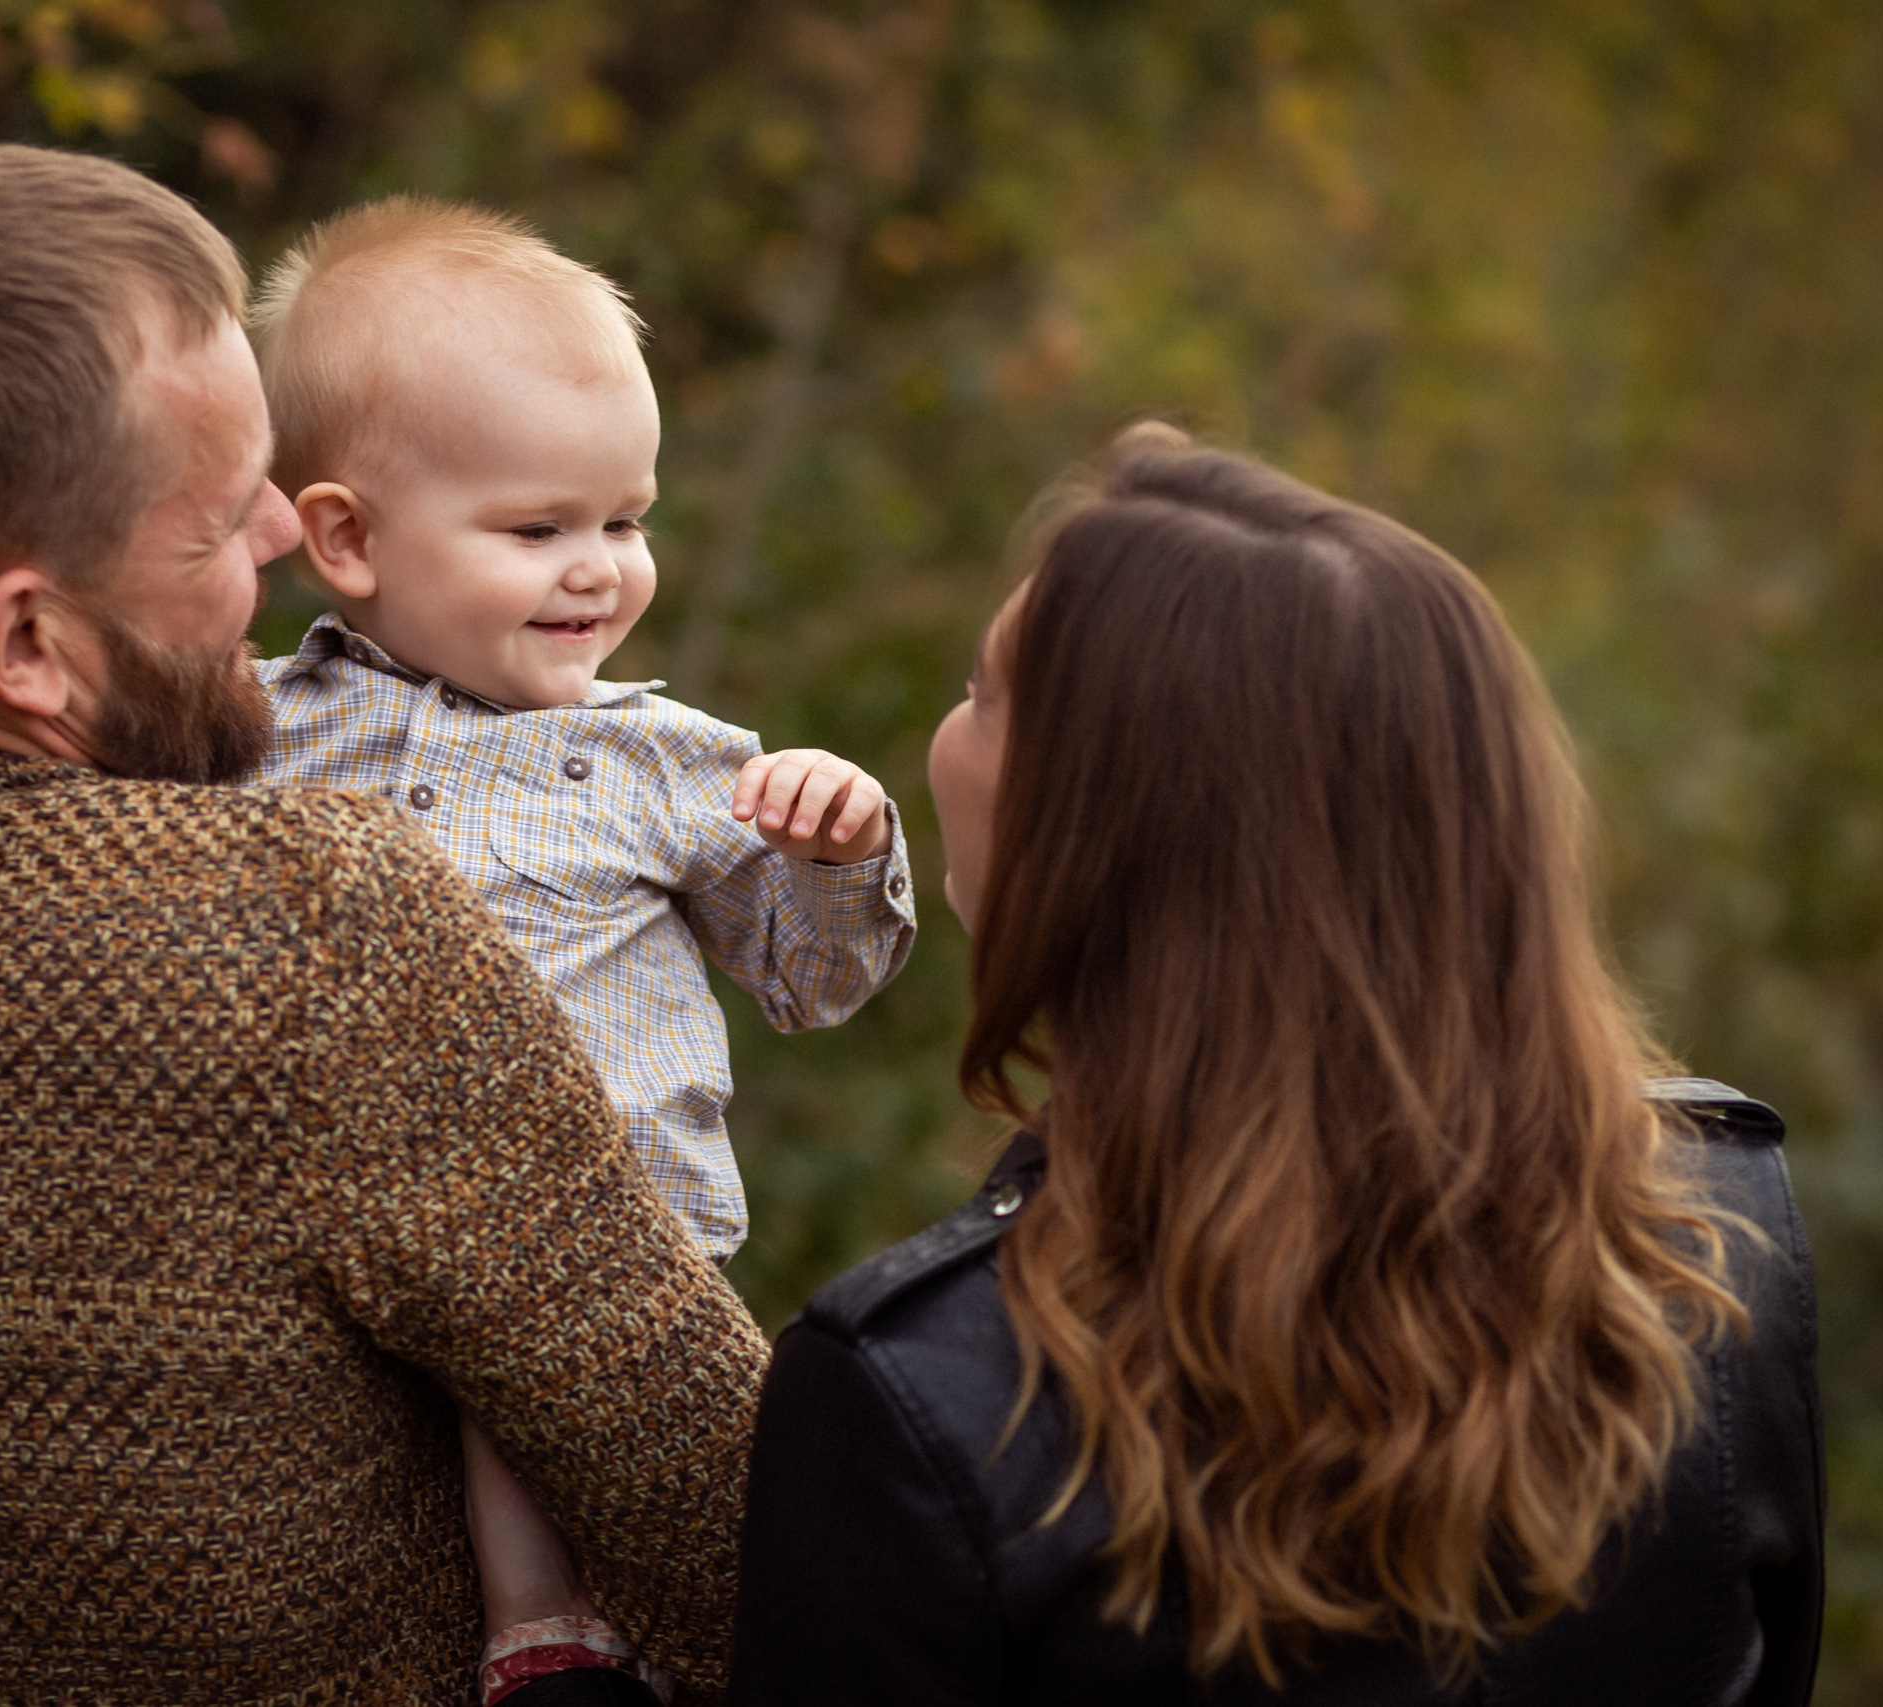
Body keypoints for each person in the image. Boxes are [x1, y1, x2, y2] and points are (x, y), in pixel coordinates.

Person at [0, 143, 764, 1707]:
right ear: (22, 640)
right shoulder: (311, 924)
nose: (289, 535)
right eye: (216, 524)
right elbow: (735, 1523)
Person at [729, 423, 1826, 1704]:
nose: (944, 733)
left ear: (1094, 828)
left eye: (981, 694)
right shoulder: (1711, 1234)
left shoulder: (914, 1398)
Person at [0, 194, 921, 1271]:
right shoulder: (253, 720)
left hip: (614, 1253)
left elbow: (810, 981)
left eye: (627, 522)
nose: (599, 571)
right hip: (332, 1242)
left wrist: (836, 851)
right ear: (346, 540)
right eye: (538, 530)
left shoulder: (675, 760)